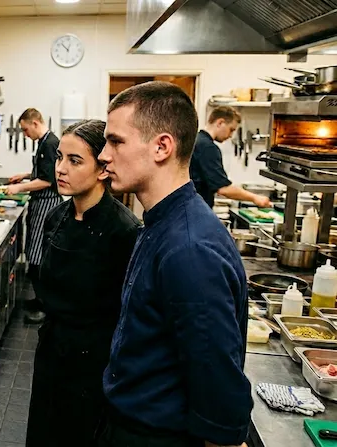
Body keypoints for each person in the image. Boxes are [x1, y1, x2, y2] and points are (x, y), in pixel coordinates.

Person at [97, 81, 252, 447]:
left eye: (116, 141)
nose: (104, 155)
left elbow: (215, 379)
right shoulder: (160, 222)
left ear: (162, 146)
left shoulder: (189, 247)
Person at [25, 120, 140, 447]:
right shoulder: (56, 218)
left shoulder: (124, 230)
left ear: (102, 169)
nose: (60, 168)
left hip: (95, 363)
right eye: (60, 157)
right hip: (52, 352)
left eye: (74, 161)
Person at [6, 108, 63, 324]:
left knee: (39, 256)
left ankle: (44, 306)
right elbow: (43, 172)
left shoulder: (50, 143)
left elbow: (48, 181)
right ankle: (40, 300)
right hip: (40, 203)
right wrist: (24, 176)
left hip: (47, 204)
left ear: (35, 123)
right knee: (34, 253)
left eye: (25, 129)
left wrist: (19, 189)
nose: (25, 134)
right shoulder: (43, 142)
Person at [190, 105, 272, 208]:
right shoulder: (207, 147)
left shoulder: (196, 140)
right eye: (231, 130)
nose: (230, 136)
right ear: (220, 123)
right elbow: (223, 188)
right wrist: (255, 198)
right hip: (195, 211)